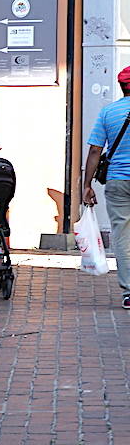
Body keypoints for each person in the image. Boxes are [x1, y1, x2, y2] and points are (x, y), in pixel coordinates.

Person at [83, 65, 130, 310]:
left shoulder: (108, 112)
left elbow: (94, 150)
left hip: (118, 180)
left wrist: (86, 185)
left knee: (122, 235)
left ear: (121, 86)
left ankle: (129, 292)